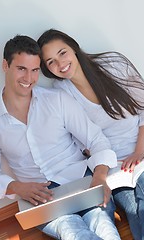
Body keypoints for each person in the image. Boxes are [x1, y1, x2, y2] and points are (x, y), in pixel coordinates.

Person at [0, 35, 121, 240]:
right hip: (41, 199)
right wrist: (17, 187)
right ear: (6, 65)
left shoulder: (57, 100)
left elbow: (96, 139)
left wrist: (100, 177)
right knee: (73, 233)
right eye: (21, 68)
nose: (28, 78)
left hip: (82, 182)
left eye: (35, 70)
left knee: (104, 228)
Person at [37, 28, 144, 240]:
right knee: (135, 212)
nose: (60, 64)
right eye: (50, 62)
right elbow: (82, 142)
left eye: (62, 53)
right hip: (115, 169)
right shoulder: (61, 93)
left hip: (140, 150)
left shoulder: (113, 64)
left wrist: (139, 151)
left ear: (74, 48)